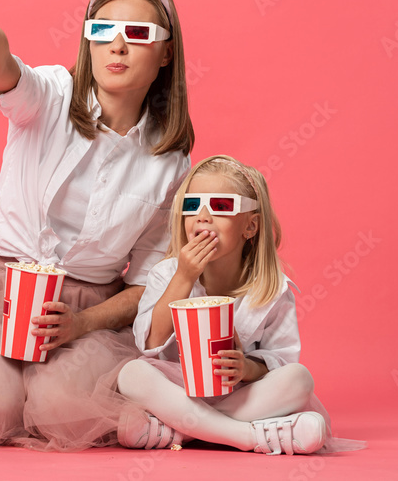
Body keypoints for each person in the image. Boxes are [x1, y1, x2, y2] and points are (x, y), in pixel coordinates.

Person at [0, 0, 194, 451]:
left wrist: (83, 323)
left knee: (63, 408)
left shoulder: (170, 162)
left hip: (89, 312)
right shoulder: (51, 95)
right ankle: (15, 388)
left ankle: (102, 403)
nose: (118, 46)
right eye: (103, 31)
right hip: (3, 291)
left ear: (166, 53)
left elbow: (150, 280)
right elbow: (0, 66)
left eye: (138, 35)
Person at [117, 155, 359, 454]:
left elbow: (280, 359)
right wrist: (184, 276)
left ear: (250, 226)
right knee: (132, 374)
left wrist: (247, 368)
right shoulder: (167, 273)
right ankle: (249, 436)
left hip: (242, 394)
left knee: (299, 379)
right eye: (192, 206)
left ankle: (178, 431)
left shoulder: (273, 290)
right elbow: (150, 343)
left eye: (220, 207)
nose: (203, 216)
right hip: (178, 390)